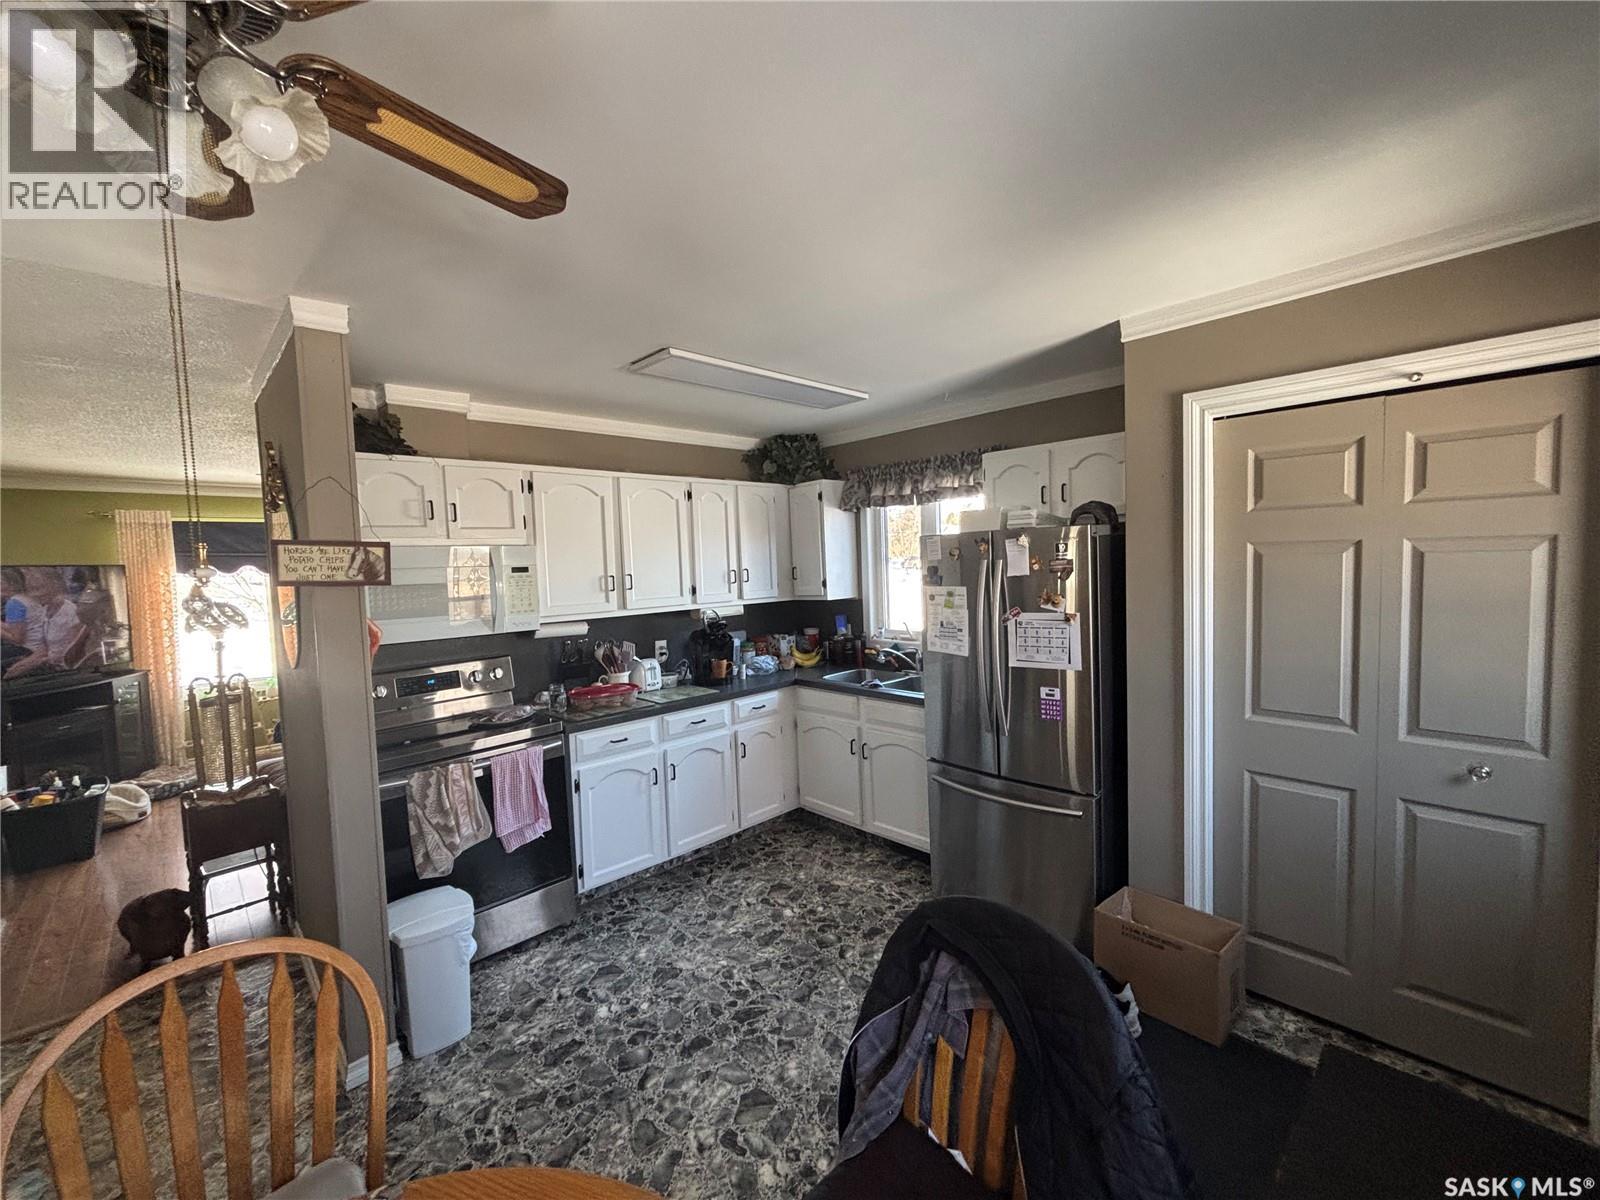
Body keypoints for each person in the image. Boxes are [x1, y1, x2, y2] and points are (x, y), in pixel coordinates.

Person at [4, 568, 87, 678]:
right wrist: (20, 666)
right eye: (30, 590)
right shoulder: (46, 609)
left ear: (55, 586)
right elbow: (44, 648)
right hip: (47, 664)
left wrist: (32, 664)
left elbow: (71, 655)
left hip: (66, 672)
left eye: (39, 589)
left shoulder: (71, 613)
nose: (34, 594)